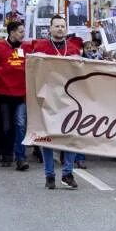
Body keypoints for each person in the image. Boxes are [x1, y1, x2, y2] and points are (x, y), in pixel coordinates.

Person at [31, 15, 82, 189]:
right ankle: (49, 175)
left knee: (71, 134)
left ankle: (67, 173)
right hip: (48, 97)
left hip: (69, 98)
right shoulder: (41, 47)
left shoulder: (74, 48)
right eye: (57, 26)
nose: (60, 29)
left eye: (63, 26)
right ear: (50, 29)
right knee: (48, 137)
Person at [0, 21, 33, 170]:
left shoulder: (26, 47)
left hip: (20, 95)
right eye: (20, 31)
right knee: (5, 127)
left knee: (20, 125)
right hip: (3, 94)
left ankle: (21, 157)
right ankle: (7, 154)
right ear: (11, 32)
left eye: (23, 31)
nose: (23, 34)